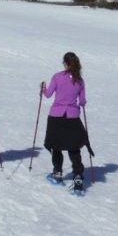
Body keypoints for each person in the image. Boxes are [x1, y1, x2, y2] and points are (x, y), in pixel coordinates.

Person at [41, 51, 92, 191]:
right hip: (72, 117)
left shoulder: (57, 77)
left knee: (56, 145)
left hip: (56, 116)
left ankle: (57, 172)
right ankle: (78, 176)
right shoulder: (79, 81)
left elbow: (48, 94)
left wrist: (43, 88)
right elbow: (82, 101)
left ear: (65, 63)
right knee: (73, 146)